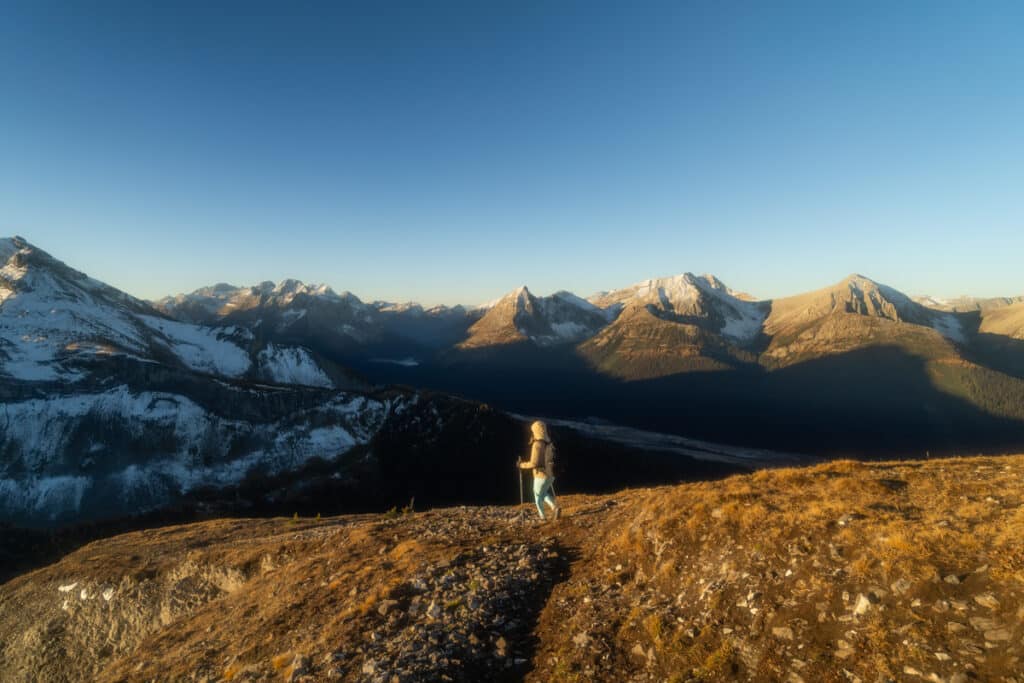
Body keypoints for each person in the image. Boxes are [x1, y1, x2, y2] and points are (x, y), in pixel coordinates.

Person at [518, 420, 561, 521]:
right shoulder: (549, 442)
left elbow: (534, 463)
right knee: (544, 492)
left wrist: (521, 465)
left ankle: (543, 517)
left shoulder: (537, 444)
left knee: (537, 496)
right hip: (551, 474)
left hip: (540, 475)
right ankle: (555, 507)